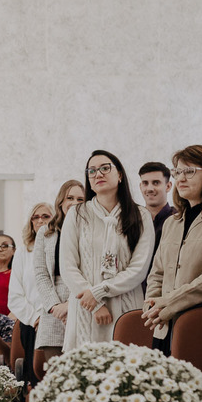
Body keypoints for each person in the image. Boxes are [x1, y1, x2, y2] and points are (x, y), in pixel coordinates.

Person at [141, 146, 202, 354]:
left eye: (189, 172)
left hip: (201, 325)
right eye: (177, 172)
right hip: (163, 326)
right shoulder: (172, 222)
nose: (181, 178)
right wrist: (152, 306)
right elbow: (157, 273)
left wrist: (169, 303)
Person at [61, 150, 154, 351]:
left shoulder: (141, 215)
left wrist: (99, 291)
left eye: (105, 168)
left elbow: (139, 268)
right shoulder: (77, 214)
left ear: (120, 175)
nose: (98, 174)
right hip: (86, 308)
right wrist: (94, 304)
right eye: (92, 171)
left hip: (126, 306)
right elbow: (67, 266)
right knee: (85, 373)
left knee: (127, 372)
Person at [32, 180, 86, 370]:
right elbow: (40, 273)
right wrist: (55, 306)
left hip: (80, 301)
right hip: (52, 306)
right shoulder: (45, 232)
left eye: (80, 199)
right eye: (69, 198)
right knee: (56, 374)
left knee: (80, 369)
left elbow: (89, 272)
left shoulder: (89, 230)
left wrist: (71, 305)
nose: (73, 202)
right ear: (61, 201)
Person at [8, 203, 54, 384]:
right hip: (32, 324)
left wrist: (49, 315)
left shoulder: (61, 247)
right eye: (36, 217)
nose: (40, 220)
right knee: (35, 380)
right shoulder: (22, 252)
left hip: (58, 319)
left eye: (45, 216)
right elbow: (15, 296)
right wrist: (36, 318)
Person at [138, 161, 175, 251]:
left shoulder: (178, 219)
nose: (150, 189)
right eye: (145, 183)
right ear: (140, 186)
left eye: (156, 183)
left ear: (168, 186)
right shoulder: (133, 219)